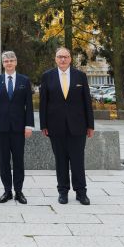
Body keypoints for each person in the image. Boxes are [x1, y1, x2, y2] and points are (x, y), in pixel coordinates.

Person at [39, 47, 94, 205]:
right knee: (60, 161)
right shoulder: (47, 76)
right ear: (55, 59)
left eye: (65, 57)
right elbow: (43, 103)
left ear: (70, 59)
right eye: (59, 57)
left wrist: (90, 125)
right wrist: (43, 124)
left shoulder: (80, 76)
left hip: (78, 126)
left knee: (77, 160)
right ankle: (63, 192)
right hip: (55, 127)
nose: (62, 59)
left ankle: (81, 192)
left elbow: (87, 103)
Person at [0, 51, 34, 204]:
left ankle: (19, 191)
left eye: (11, 60)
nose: (8, 63)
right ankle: (7, 191)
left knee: (19, 161)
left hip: (19, 128)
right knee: (4, 161)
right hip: (1, 128)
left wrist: (29, 125)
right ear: (3, 63)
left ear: (16, 62)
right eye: (6, 61)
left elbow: (29, 105)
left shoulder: (24, 81)